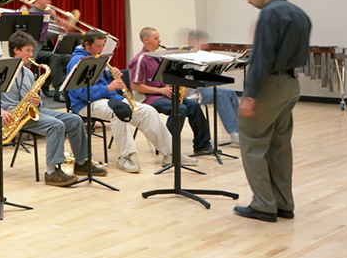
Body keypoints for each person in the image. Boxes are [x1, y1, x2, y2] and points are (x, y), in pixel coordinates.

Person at [0, 30, 102, 186]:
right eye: (27, 50)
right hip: (14, 115)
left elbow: (38, 100)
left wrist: (38, 100)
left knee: (74, 119)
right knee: (56, 125)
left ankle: (82, 163)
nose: (31, 54)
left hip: (33, 111)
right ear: (16, 50)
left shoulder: (28, 73)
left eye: (31, 50)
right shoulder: (1, 69)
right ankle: (51, 172)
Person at [235, 0, 311, 223]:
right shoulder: (299, 12)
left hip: (269, 85)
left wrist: (250, 95)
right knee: (279, 146)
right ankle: (283, 203)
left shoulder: (270, 13)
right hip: (291, 84)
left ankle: (263, 205)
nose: (248, 0)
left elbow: (262, 58)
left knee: (253, 142)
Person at [64, 30, 182, 173]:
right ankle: (124, 157)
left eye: (103, 46)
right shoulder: (78, 62)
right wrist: (109, 87)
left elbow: (99, 81)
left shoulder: (95, 56)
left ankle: (171, 153)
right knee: (119, 112)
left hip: (109, 99)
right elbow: (83, 93)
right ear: (87, 45)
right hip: (85, 104)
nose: (101, 50)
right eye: (98, 46)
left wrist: (110, 75)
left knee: (148, 111)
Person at [128, 27, 214, 156]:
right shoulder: (140, 59)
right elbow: (135, 86)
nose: (160, 40)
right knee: (179, 108)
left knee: (194, 106)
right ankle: (166, 146)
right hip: (146, 98)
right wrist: (160, 89)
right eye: (156, 38)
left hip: (162, 95)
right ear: (146, 40)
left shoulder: (159, 57)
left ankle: (202, 144)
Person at [187, 29, 241, 148]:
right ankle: (234, 134)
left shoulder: (200, 54)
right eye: (203, 42)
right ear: (194, 40)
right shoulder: (186, 55)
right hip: (190, 92)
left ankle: (241, 130)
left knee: (231, 93)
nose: (206, 45)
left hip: (200, 88)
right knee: (220, 96)